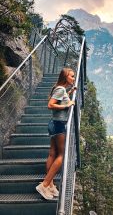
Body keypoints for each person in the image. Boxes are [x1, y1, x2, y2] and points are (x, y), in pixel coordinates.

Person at [36, 67, 76, 200]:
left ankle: (50, 185)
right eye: (72, 76)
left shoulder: (61, 89)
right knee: (61, 155)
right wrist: (68, 105)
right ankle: (45, 184)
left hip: (54, 123)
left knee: (52, 153)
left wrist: (70, 93)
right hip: (59, 125)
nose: (74, 78)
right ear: (65, 77)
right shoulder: (60, 89)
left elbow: (61, 98)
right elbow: (51, 105)